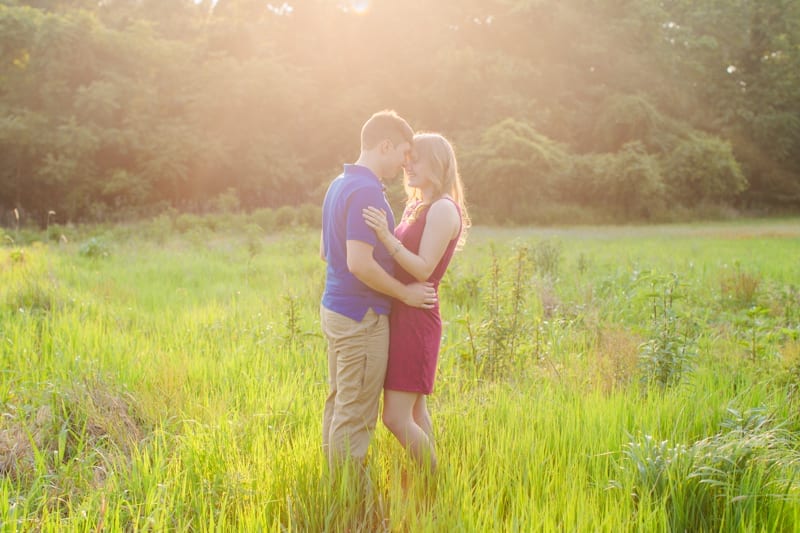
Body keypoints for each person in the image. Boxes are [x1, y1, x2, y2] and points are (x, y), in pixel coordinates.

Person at [320, 110, 438, 471]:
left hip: (337, 309)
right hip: (361, 317)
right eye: (403, 152)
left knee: (341, 402)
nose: (406, 162)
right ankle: (351, 504)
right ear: (385, 145)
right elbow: (359, 262)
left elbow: (326, 252)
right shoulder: (367, 190)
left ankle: (336, 491)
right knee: (355, 414)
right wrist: (405, 295)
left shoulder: (339, 183)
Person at [362, 132, 469, 473]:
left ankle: (436, 481)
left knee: (395, 418)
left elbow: (423, 268)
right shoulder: (417, 204)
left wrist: (384, 236)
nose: (408, 164)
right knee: (416, 412)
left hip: (417, 318)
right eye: (407, 158)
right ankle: (430, 489)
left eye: (416, 158)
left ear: (437, 163)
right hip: (402, 312)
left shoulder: (443, 209)